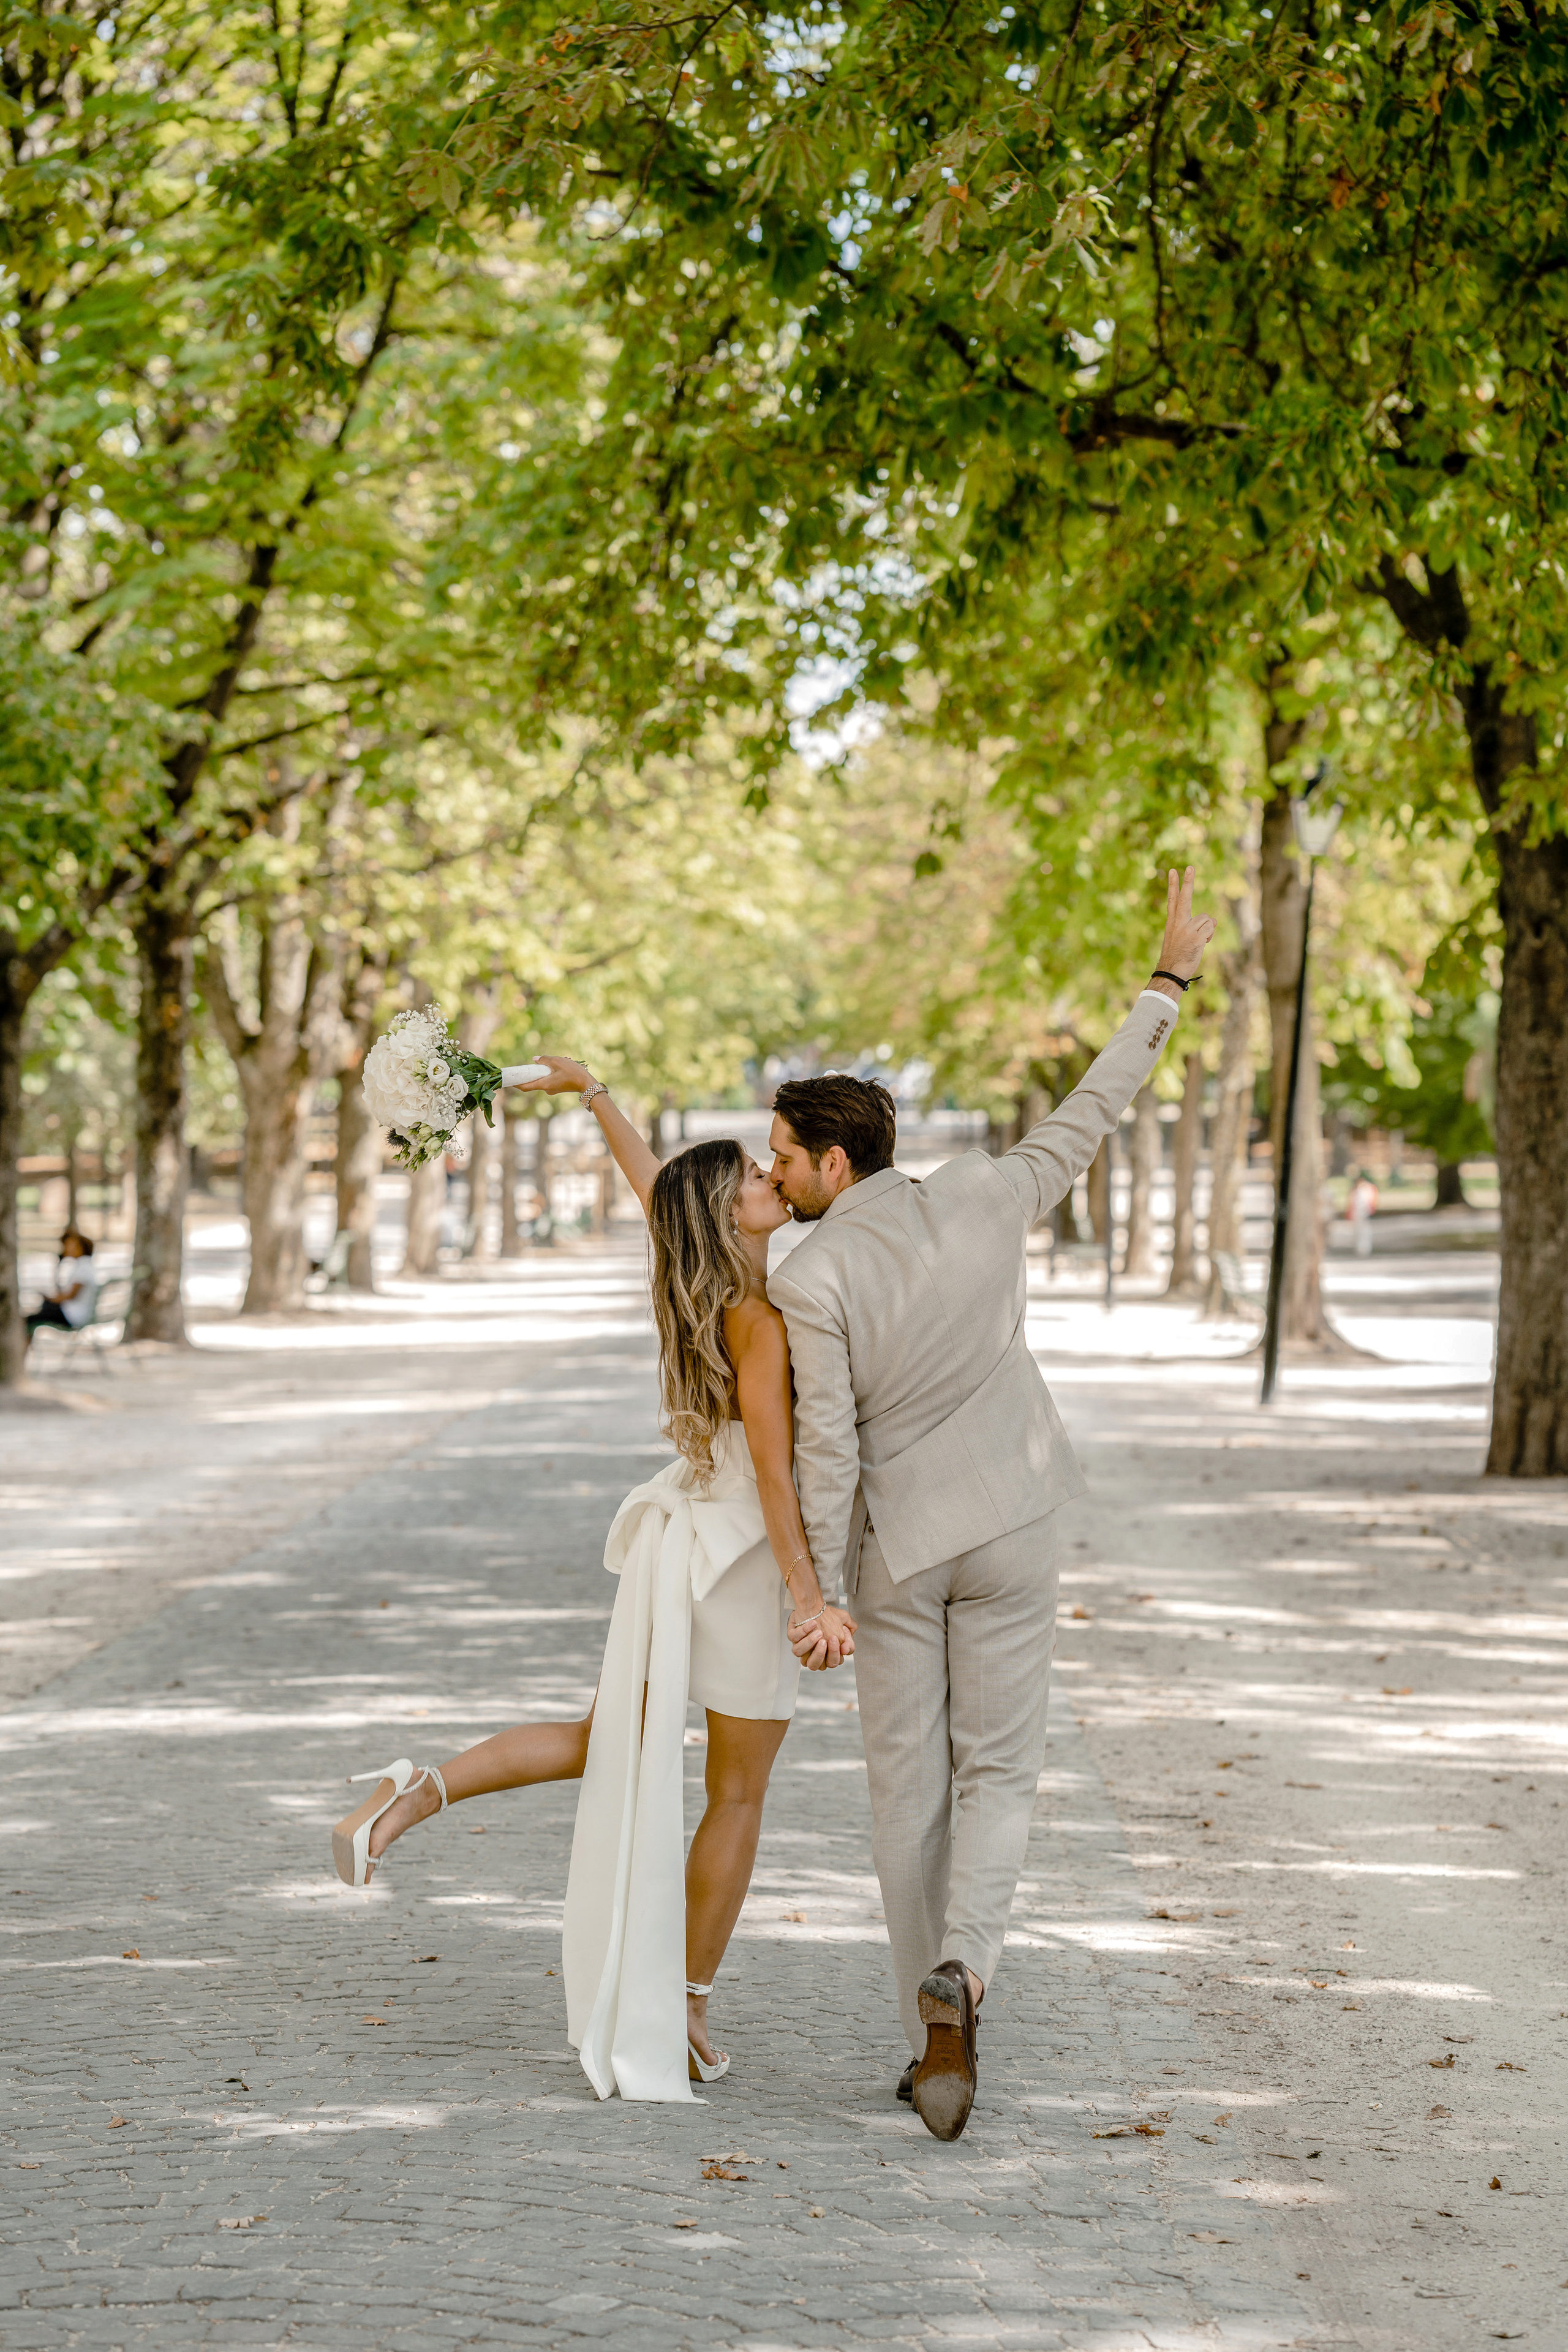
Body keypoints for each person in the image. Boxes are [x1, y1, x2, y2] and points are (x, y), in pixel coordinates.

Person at [766, 867, 1215, 2141]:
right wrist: (1164, 984)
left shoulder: (810, 1278)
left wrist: (821, 1594)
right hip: (1015, 1520)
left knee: (904, 1792)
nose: (774, 1175)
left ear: (834, 1159)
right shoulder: (983, 1189)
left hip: (901, 1553)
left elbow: (828, 1448)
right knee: (1001, 1768)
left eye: (784, 1157)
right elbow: (1091, 1111)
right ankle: (964, 1970)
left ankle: (929, 2034)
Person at [331, 1077, 854, 2101]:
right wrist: (809, 1597)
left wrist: (596, 1093)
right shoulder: (756, 1319)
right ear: (729, 1214)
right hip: (739, 1555)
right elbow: (775, 1478)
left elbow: (659, 1187)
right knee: (737, 1791)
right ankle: (686, 2006)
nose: (770, 1177)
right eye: (754, 1175)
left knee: (604, 1736)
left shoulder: (695, 1278)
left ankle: (413, 1792)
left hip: (675, 1539)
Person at [24, 1229, 97, 1350]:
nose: (68, 1249)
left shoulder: (83, 1268)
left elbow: (71, 1296)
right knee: (45, 1307)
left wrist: (52, 1298)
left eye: (72, 1246)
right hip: (77, 1313)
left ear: (82, 1247)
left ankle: (22, 1350)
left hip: (73, 1317)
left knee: (29, 1319)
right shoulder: (86, 1265)